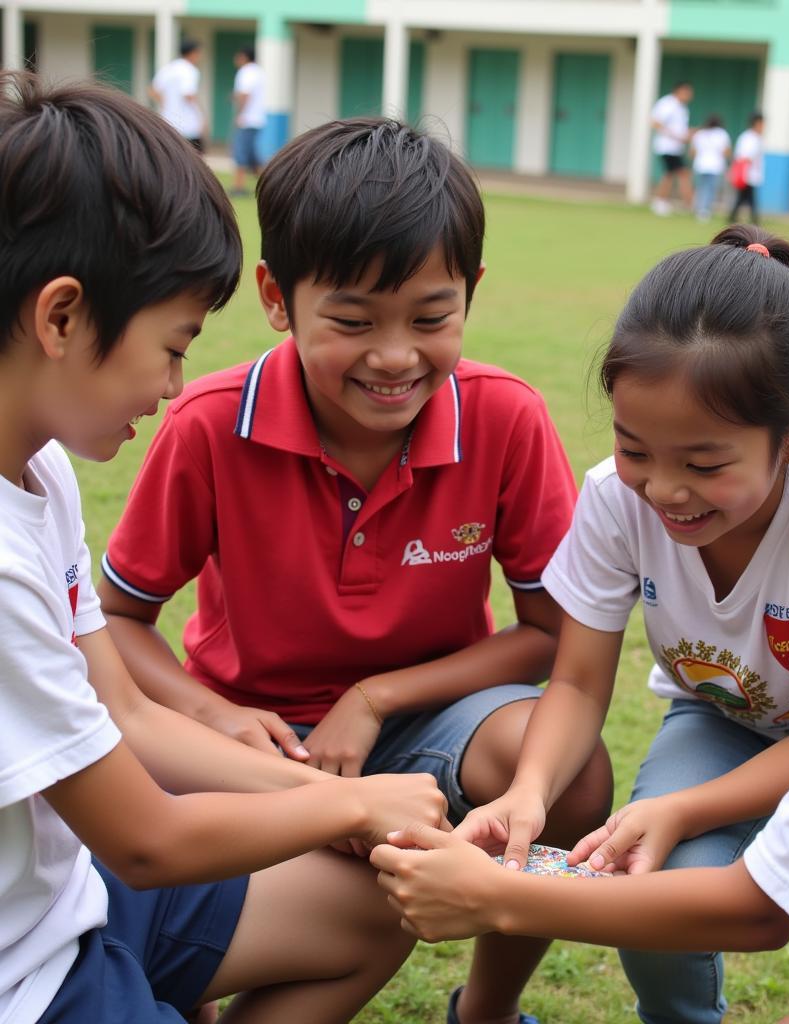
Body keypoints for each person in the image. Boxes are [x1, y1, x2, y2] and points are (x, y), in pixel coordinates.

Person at [373, 180, 789, 1024]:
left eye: (706, 464)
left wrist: (528, 883)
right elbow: (573, 683)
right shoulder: (618, 498)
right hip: (723, 722)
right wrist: (529, 794)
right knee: (659, 885)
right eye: (637, 449)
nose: (666, 490)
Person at [97, 116, 613, 1024]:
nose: (394, 356)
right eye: (351, 321)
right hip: (244, 739)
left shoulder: (506, 419)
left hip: (427, 724)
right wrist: (218, 717)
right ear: (275, 296)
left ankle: (485, 1012)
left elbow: (548, 637)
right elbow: (119, 619)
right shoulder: (210, 424)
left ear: (472, 292)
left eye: (430, 317)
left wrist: (376, 697)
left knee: (569, 774)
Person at [0, 72, 451, 1024]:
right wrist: (352, 808)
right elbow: (147, 840)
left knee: (376, 909)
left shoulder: (41, 475)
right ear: (61, 316)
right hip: (25, 970)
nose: (172, 385)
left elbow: (128, 709)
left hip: (70, 900)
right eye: (172, 345)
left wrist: (330, 800)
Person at [149, 38, 204, 151]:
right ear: (193, 53)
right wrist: (202, 116)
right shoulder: (190, 70)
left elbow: (152, 90)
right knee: (193, 158)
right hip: (189, 124)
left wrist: (166, 105)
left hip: (168, 120)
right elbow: (188, 95)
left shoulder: (168, 68)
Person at [649, 82, 693, 216]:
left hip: (676, 148)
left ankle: (662, 201)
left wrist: (687, 135)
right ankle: (664, 202)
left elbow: (681, 129)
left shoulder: (682, 108)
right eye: (687, 92)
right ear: (679, 91)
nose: (690, 95)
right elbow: (655, 122)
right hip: (667, 147)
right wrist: (674, 136)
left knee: (671, 174)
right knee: (679, 173)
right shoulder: (667, 104)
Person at [230, 46, 265, 197]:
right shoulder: (258, 71)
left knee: (241, 153)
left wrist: (239, 114)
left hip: (247, 119)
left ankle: (239, 187)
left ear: (244, 56)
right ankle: (267, 183)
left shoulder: (246, 71)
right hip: (257, 119)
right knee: (252, 156)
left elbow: (245, 95)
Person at [690, 114, 731, 222]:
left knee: (701, 187)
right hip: (715, 166)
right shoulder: (722, 134)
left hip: (700, 165)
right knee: (710, 189)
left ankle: (699, 208)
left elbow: (693, 151)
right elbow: (726, 151)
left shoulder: (700, 134)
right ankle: (705, 210)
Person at [729, 112, 765, 225]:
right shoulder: (749, 138)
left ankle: (733, 217)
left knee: (743, 198)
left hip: (751, 174)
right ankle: (754, 220)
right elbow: (745, 157)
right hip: (747, 174)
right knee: (748, 198)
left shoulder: (755, 138)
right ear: (757, 123)